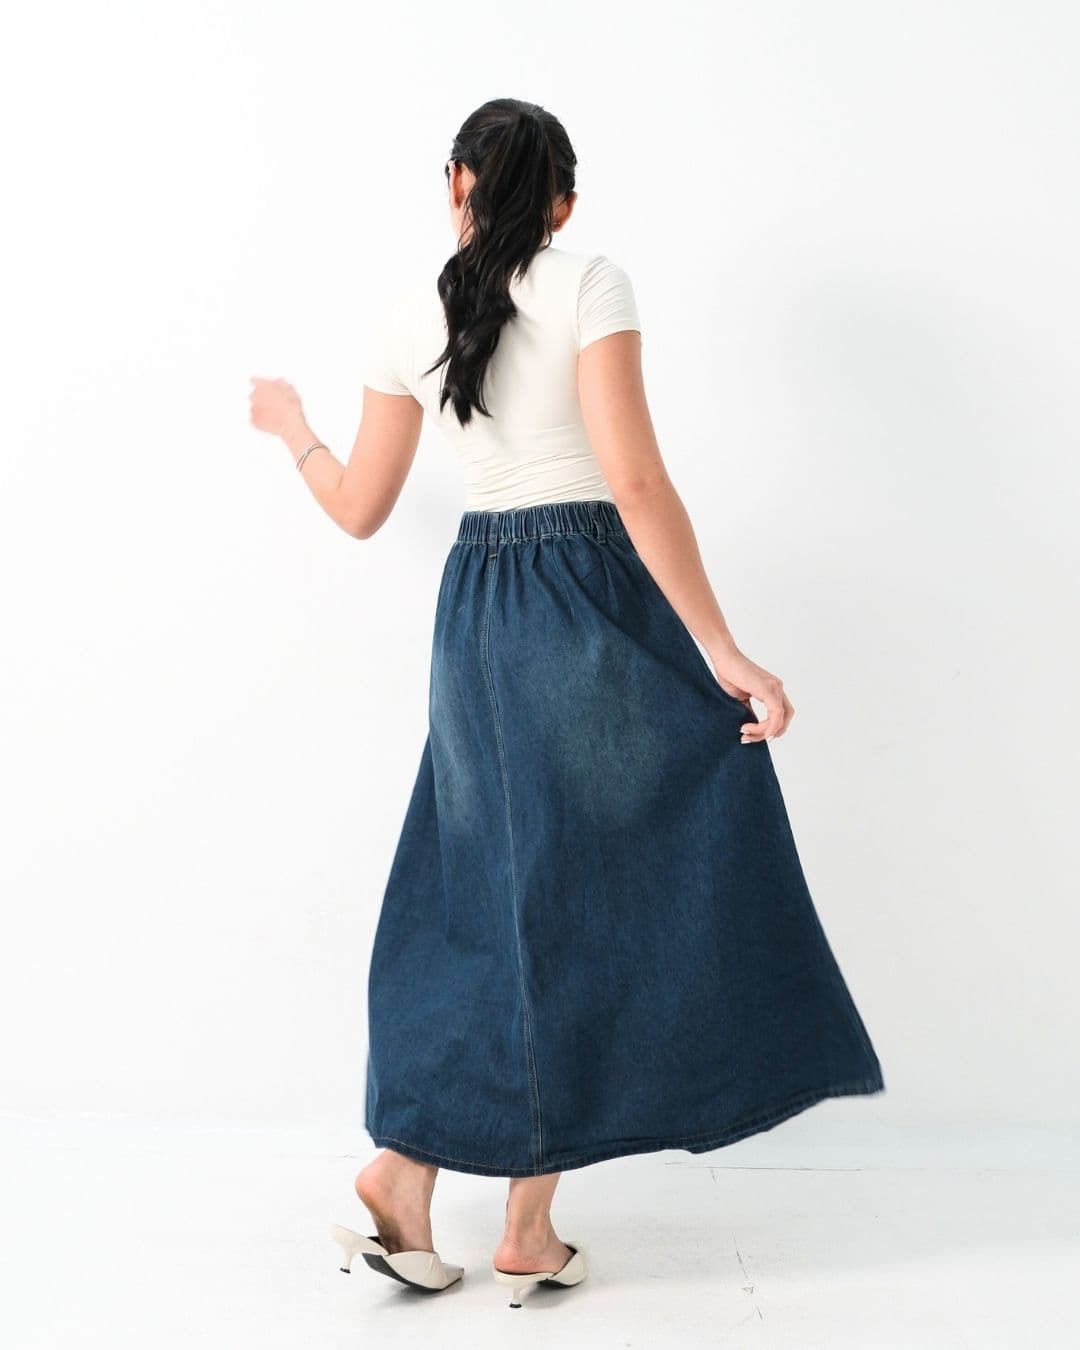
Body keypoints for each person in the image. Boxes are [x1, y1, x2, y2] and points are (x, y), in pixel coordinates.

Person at [249, 97, 885, 1307]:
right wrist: (721, 648)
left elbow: (360, 508)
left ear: (454, 183)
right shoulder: (591, 281)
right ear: (564, 201)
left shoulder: (405, 315)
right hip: (588, 596)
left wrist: (294, 431)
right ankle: (507, 1217)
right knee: (598, 884)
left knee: (493, 892)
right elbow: (634, 481)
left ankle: (423, 1179)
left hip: (478, 614)